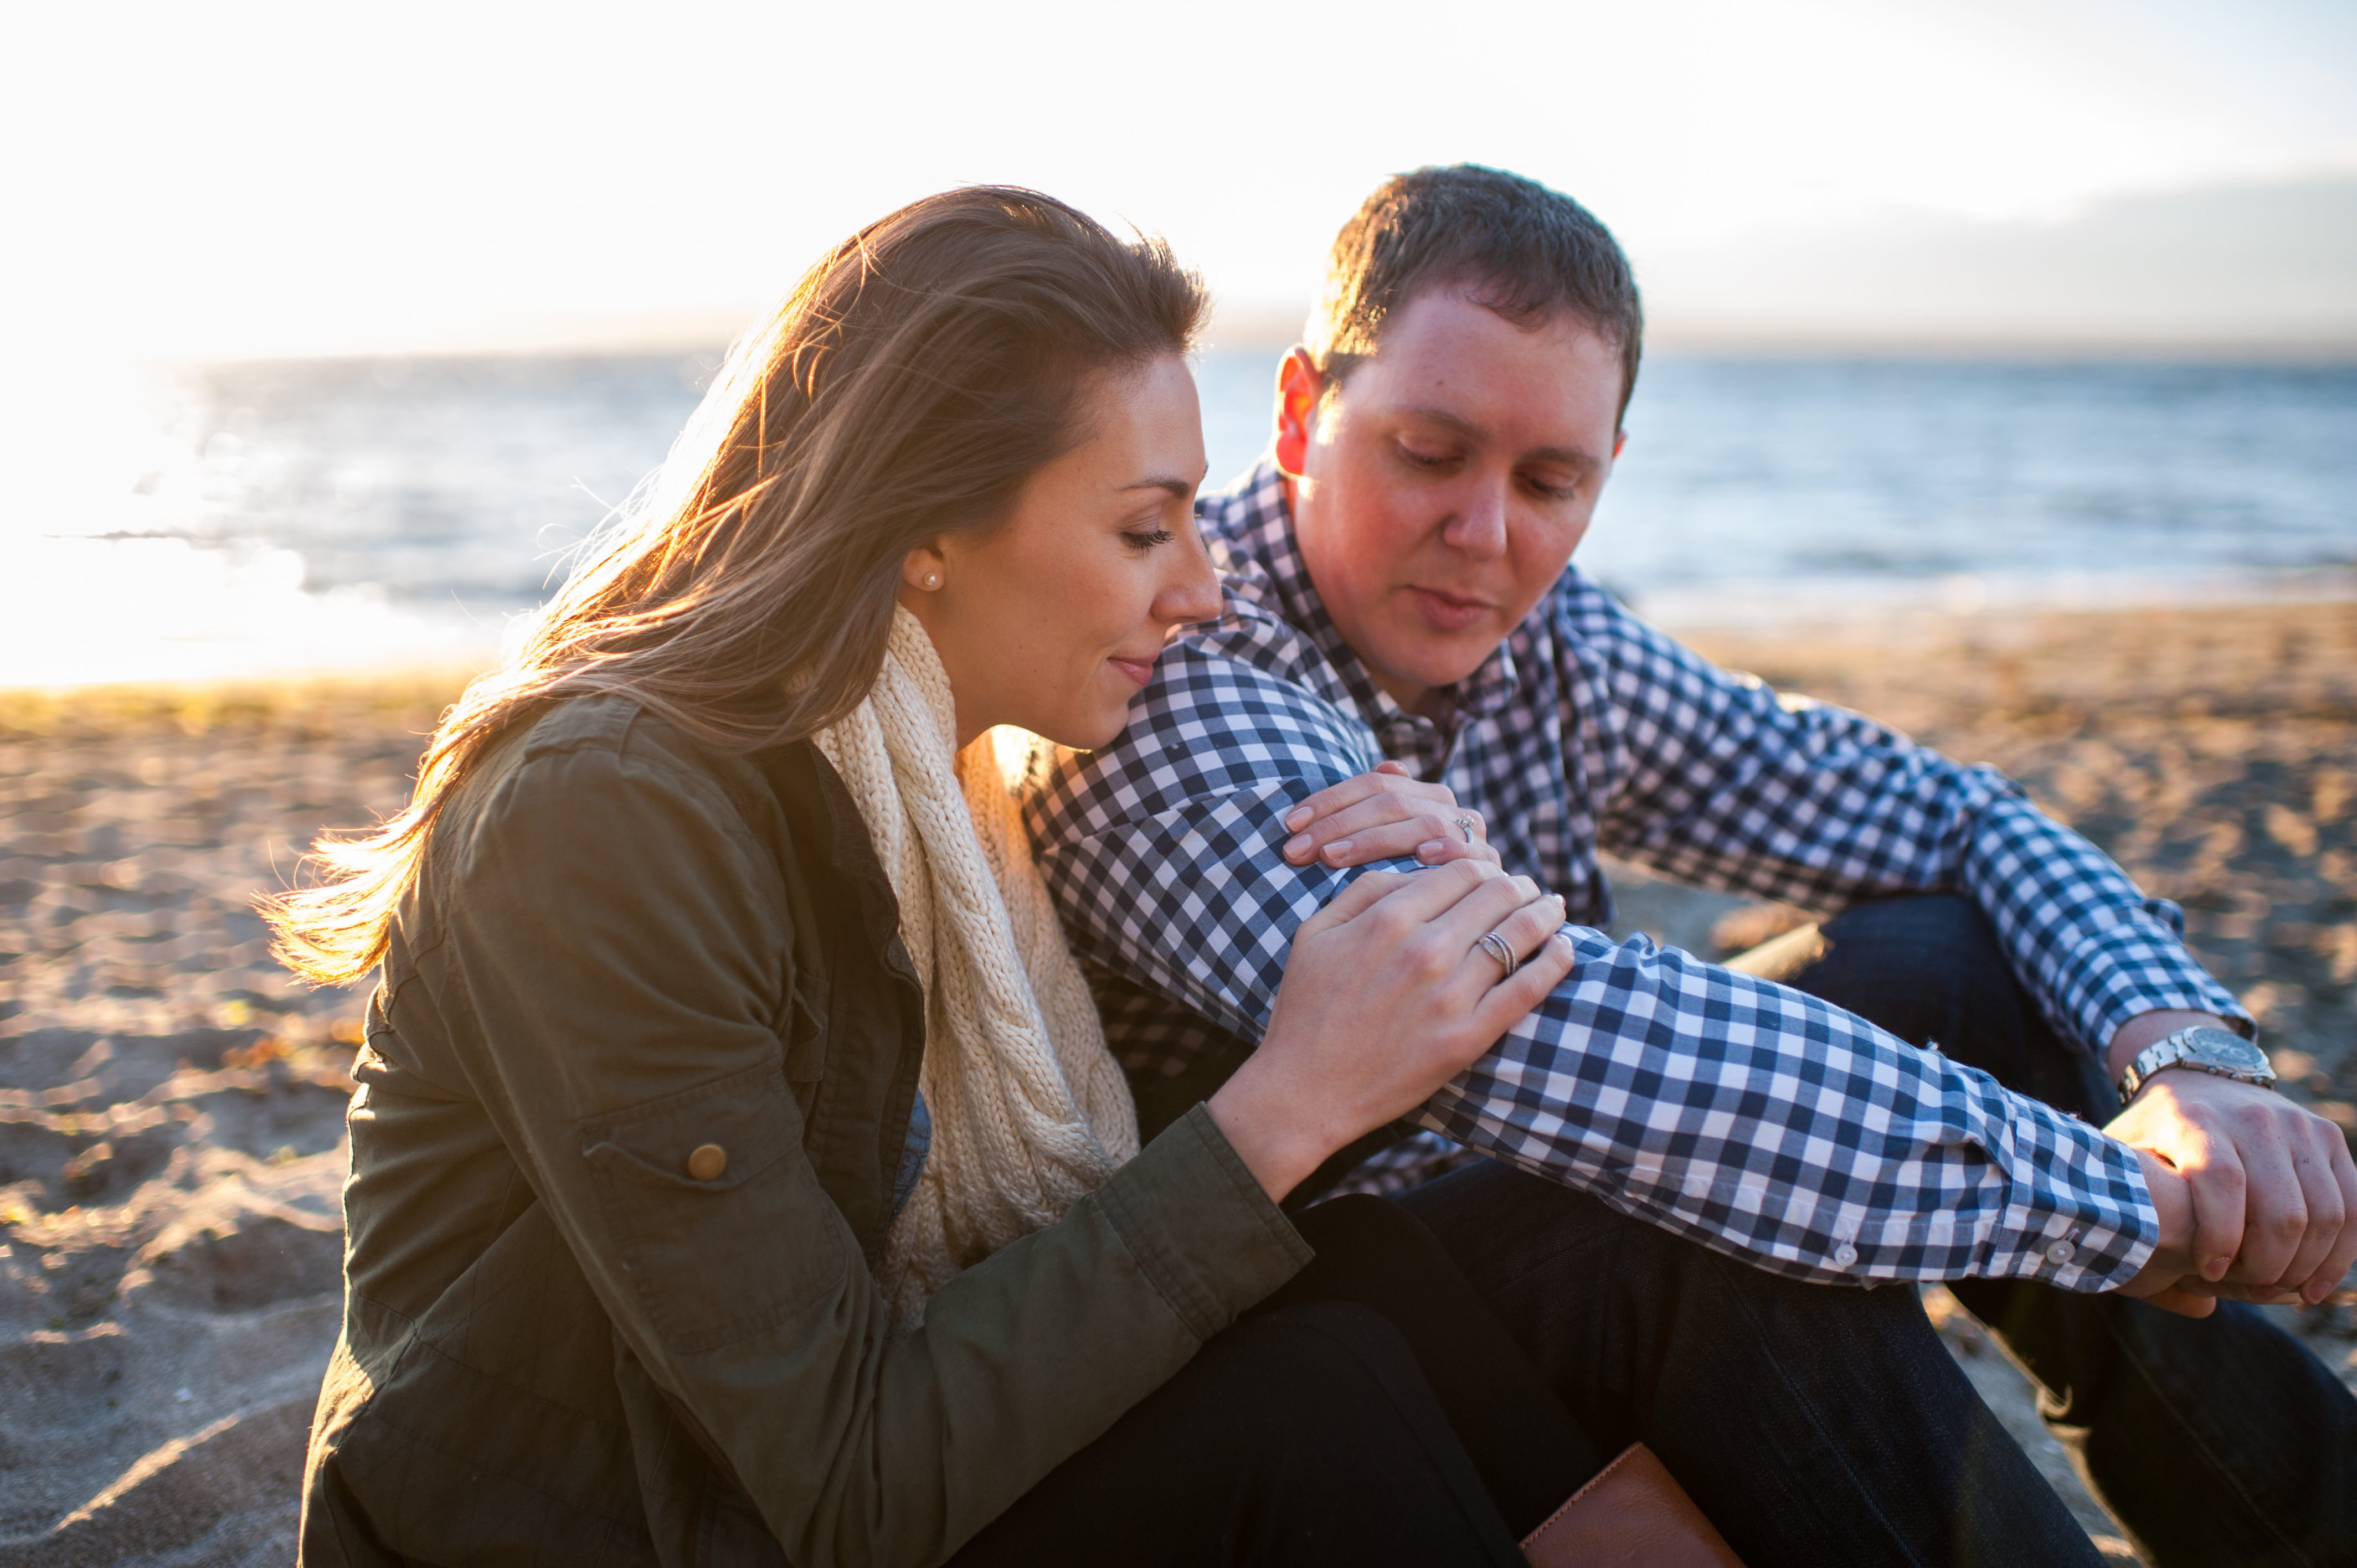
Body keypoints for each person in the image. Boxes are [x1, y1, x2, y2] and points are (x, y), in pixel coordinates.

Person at [273, 187, 2139, 1568]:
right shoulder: (620, 819)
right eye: (1143, 528)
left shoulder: (936, 782)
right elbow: (840, 1486)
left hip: (801, 1470)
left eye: (1189, 521)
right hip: (612, 1530)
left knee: (1394, 1270)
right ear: (927, 524)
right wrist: (1289, 1098)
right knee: (1306, 1387)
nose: (1201, 586)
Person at [1023, 164, 2357, 1567]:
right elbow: (1594, 1059)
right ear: (1301, 413)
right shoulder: (1175, 670)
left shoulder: (1547, 640)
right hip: (1293, 1344)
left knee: (1951, 958)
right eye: (1428, 453)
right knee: (1702, 1232)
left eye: (1551, 481)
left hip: (1498, 1241)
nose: (1486, 537)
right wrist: (2117, 1203)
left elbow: (1951, 815)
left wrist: (2188, 1060)